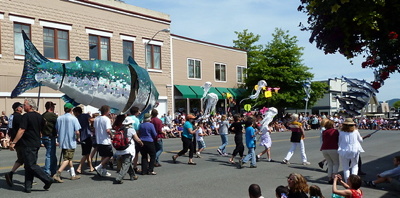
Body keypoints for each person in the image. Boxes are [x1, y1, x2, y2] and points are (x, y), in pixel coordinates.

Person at [9, 98, 54, 193]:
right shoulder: (39, 116)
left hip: (28, 144)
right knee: (28, 165)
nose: (23, 106)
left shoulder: (26, 116)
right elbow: (44, 125)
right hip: (35, 142)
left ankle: (47, 179)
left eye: (24, 105)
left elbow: (21, 130)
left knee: (31, 165)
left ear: (30, 106)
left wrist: (14, 142)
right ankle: (27, 186)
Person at [52, 103, 81, 183]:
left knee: (68, 158)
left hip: (62, 140)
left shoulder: (59, 118)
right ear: (71, 109)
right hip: (70, 141)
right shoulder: (73, 118)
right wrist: (78, 138)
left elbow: (57, 129)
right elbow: (77, 131)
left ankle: (73, 174)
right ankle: (58, 174)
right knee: (68, 159)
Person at [114, 116, 143, 184]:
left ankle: (133, 175)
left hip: (120, 148)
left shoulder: (120, 129)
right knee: (126, 164)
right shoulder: (131, 130)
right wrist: (141, 142)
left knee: (127, 162)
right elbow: (137, 139)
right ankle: (119, 178)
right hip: (128, 149)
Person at [5, 102, 24, 187]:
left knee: (21, 159)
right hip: (20, 140)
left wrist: (10, 139)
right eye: (21, 106)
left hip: (14, 139)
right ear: (17, 108)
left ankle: (11, 174)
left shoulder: (11, 116)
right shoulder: (19, 117)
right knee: (26, 159)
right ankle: (28, 179)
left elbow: (9, 129)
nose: (22, 108)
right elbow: (22, 128)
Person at [94, 105, 113, 177]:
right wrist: (111, 135)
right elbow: (108, 130)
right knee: (109, 155)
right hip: (105, 140)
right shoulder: (106, 119)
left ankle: (103, 170)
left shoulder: (96, 118)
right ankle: (99, 166)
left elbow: (95, 128)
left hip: (99, 140)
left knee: (103, 156)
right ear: (106, 111)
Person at [74, 106, 95, 174]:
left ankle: (91, 166)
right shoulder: (85, 115)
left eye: (74, 112)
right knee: (86, 153)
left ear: (77, 112)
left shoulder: (77, 118)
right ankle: (79, 167)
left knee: (87, 153)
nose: (74, 114)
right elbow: (92, 120)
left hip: (82, 137)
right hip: (87, 136)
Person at [41, 101, 58, 177]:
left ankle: (52, 170)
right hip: (50, 137)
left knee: (50, 154)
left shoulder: (43, 115)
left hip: (44, 136)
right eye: (53, 107)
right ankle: (47, 171)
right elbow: (58, 121)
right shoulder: (51, 115)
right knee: (50, 155)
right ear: (51, 108)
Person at [320, 119, 340, 184]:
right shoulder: (335, 131)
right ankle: (334, 177)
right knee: (336, 163)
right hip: (333, 148)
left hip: (324, 149)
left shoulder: (324, 132)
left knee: (330, 163)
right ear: (332, 125)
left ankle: (329, 178)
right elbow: (338, 139)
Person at [129, 106, 141, 173]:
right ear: (136, 112)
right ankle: (135, 166)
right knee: (136, 153)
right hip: (134, 137)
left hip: (126, 137)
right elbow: (137, 130)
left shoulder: (127, 118)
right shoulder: (136, 120)